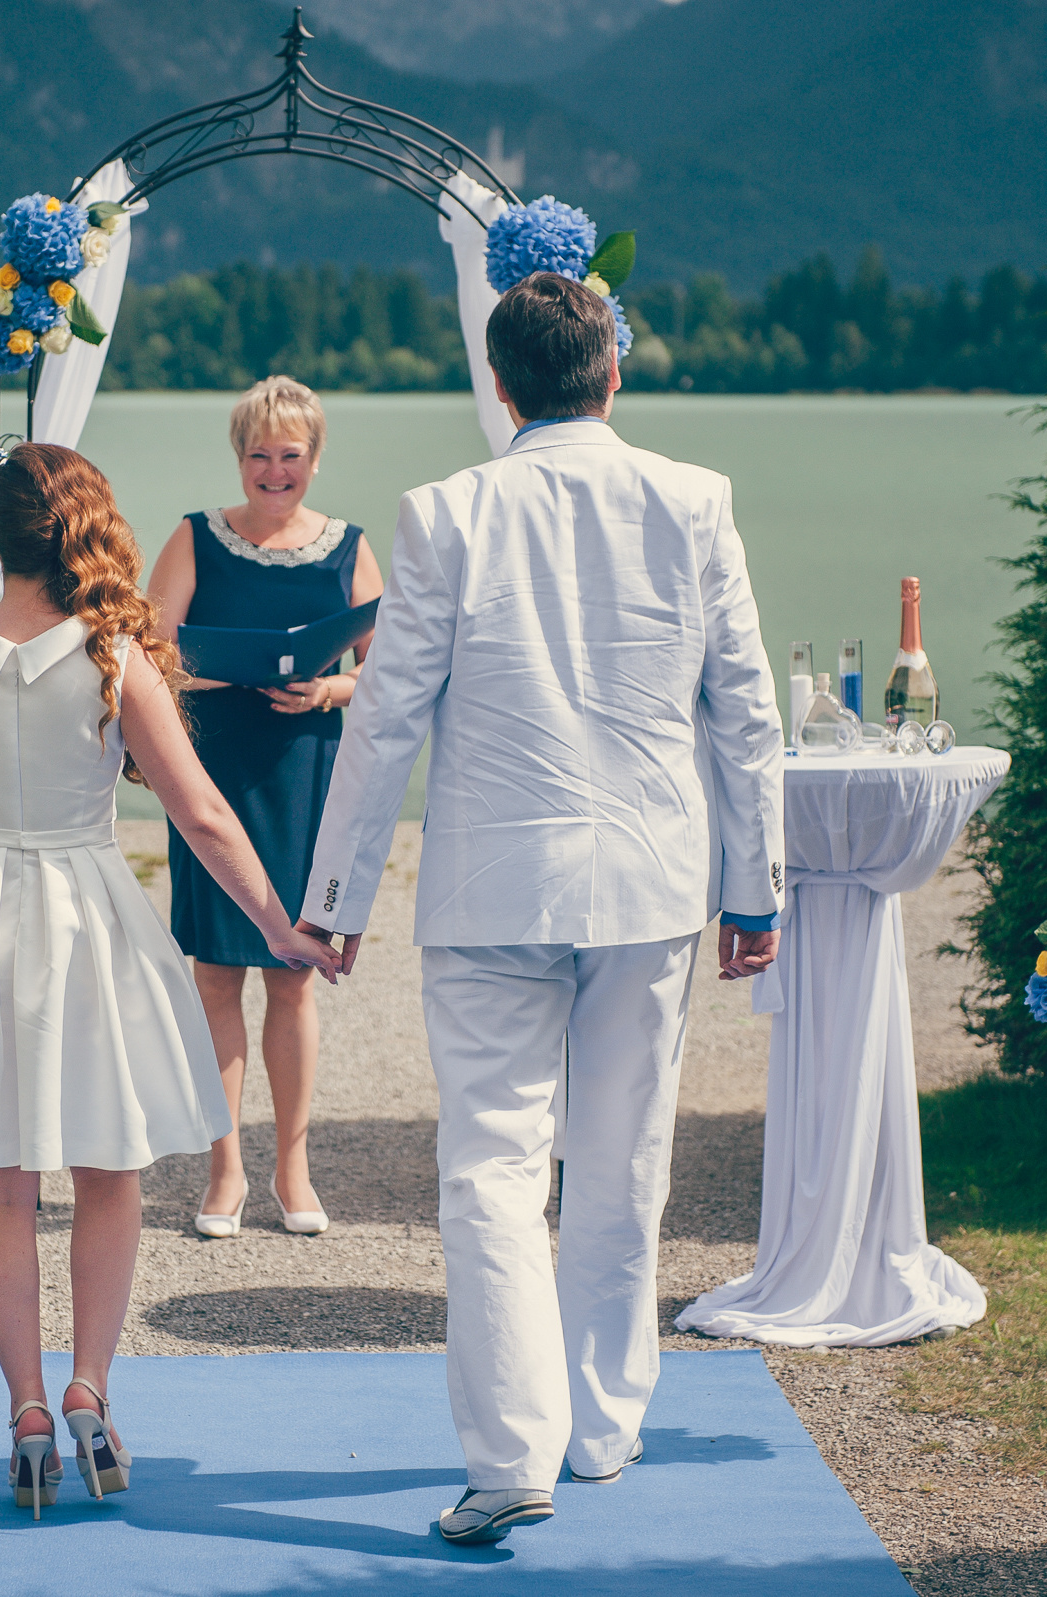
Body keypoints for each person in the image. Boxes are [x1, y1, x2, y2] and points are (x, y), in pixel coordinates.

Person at [295, 274, 785, 1545]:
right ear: (612, 372)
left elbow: (386, 714)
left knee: (492, 1171)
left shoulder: (445, 512)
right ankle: (605, 1427)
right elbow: (746, 711)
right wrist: (756, 888)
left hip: (488, 890)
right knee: (623, 1160)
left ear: (500, 388)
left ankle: (513, 1455)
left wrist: (336, 896)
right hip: (651, 884)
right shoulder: (696, 499)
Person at [0, 442, 340, 1518]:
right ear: (82, 532)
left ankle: (25, 1408)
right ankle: (91, 1390)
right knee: (107, 1166)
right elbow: (202, 813)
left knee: (1, 1176)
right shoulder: (116, 653)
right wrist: (282, 928)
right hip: (86, 906)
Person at [147, 377, 383, 1239]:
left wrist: (328, 689)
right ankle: (224, 1171)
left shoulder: (350, 547)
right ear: (238, 456)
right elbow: (143, 647)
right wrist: (195, 674)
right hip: (212, 772)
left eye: (291, 456)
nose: (274, 471)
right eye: (260, 454)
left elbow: (387, 672)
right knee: (216, 976)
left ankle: (292, 1167)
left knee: (292, 977)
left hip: (304, 775)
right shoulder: (194, 538)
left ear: (314, 460)